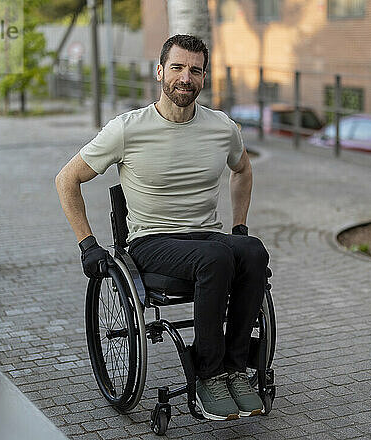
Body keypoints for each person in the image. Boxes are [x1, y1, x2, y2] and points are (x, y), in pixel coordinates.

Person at [55, 34, 269, 421]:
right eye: (177, 67)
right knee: (217, 257)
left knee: (252, 251)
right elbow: (66, 179)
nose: (185, 78)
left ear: (204, 77)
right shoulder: (127, 129)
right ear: (159, 72)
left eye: (195, 70)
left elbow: (243, 170)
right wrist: (87, 245)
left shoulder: (222, 128)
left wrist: (239, 227)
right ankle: (209, 376)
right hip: (151, 242)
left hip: (207, 238)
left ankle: (237, 370)